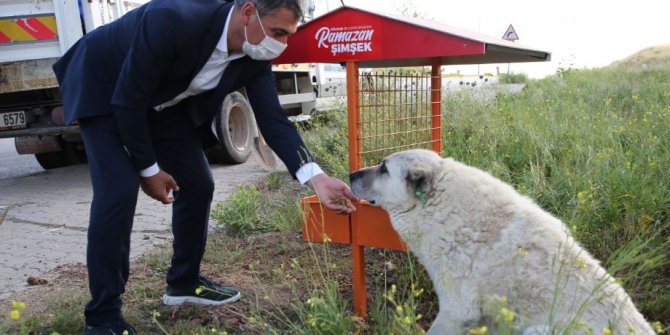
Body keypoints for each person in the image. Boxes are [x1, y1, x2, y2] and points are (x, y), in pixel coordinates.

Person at [52, 0, 359, 333]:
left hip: (160, 101)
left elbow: (273, 120)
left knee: (198, 182)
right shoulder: (173, 18)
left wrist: (317, 178)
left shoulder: (253, 55)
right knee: (118, 192)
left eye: (288, 35)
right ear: (248, 12)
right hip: (105, 86)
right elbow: (127, 100)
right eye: (278, 32)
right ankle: (102, 317)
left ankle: (183, 283)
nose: (282, 44)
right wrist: (149, 170)